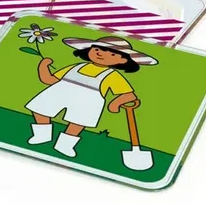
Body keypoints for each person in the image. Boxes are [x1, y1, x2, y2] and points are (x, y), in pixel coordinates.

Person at [25, 35, 157, 158]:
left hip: (88, 101)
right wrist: (43, 66)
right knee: (40, 110)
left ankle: (64, 145)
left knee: (78, 122)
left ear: (122, 60)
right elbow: (49, 80)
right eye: (97, 49)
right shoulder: (76, 67)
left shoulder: (112, 76)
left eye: (112, 54)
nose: (101, 54)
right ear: (89, 50)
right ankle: (42, 136)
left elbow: (129, 95)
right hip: (59, 93)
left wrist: (115, 104)